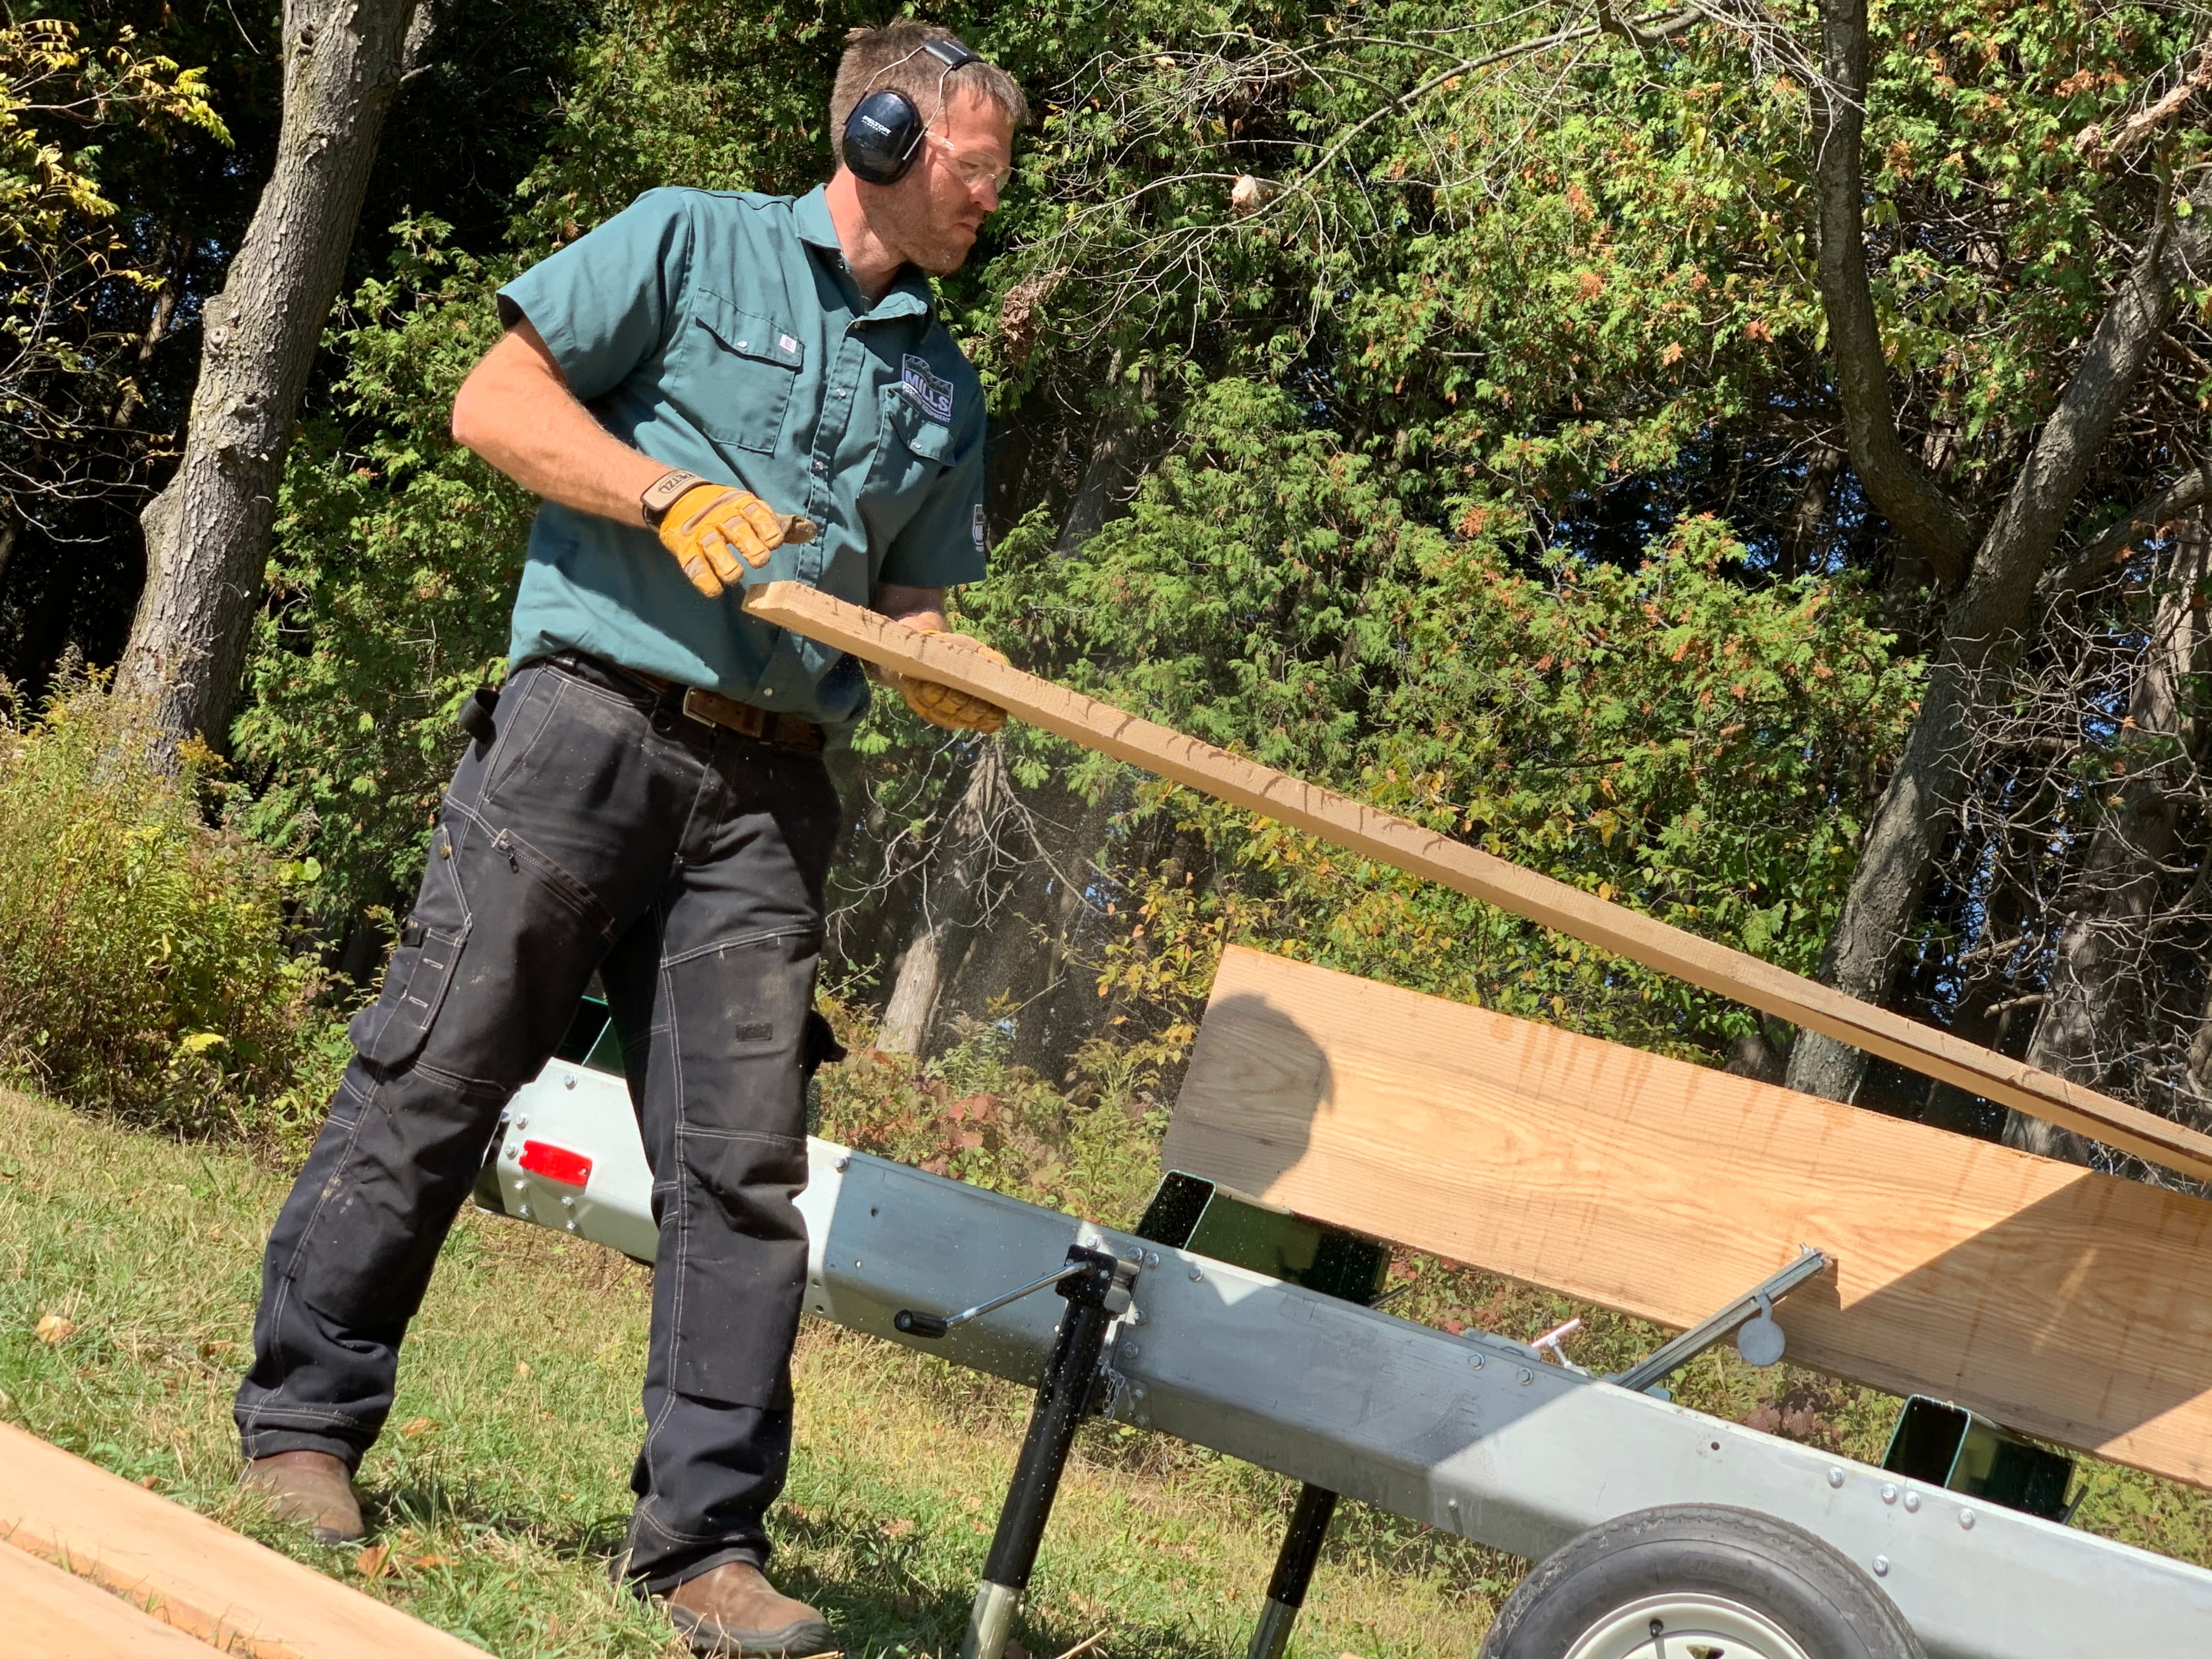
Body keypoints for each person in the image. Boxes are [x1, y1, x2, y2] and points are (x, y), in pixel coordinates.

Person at [230, 22, 1028, 1655]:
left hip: (774, 792)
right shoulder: (689, 237)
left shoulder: (942, 384)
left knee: (741, 1175)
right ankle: (303, 1431)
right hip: (587, 726)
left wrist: (951, 667)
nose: (986, 206)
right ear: (878, 132)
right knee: (438, 1071)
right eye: (971, 168)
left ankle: (705, 1552)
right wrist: (662, 495)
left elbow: (917, 602)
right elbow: (493, 402)